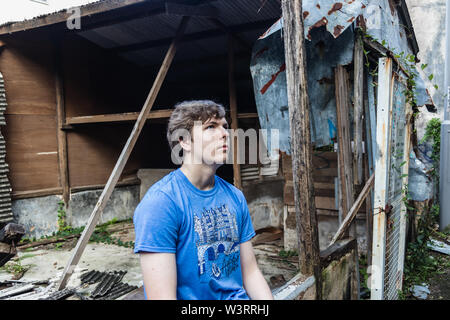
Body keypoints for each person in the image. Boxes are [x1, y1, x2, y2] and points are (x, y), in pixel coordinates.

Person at [133, 100, 273, 300]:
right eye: (210, 127)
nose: (225, 134)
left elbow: (250, 273)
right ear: (184, 141)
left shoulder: (235, 196)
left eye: (224, 126)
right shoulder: (161, 204)